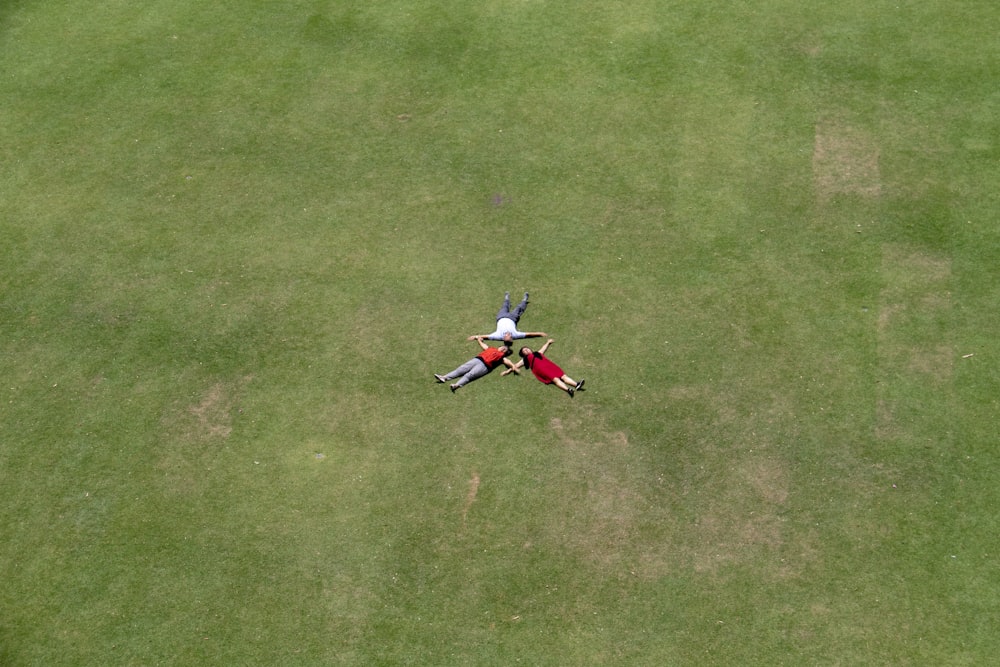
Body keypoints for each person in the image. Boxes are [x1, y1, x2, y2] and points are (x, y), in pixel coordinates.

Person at [502, 338, 585, 397]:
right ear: (523, 354)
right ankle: (568, 390)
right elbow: (515, 365)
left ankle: (576, 384)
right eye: (524, 351)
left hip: (550, 365)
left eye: (527, 349)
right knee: (555, 379)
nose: (526, 350)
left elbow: (543, 349)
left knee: (563, 376)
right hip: (542, 370)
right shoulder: (525, 359)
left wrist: (548, 342)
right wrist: (507, 371)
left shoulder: (537, 353)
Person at [435, 336, 519, 393]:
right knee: (460, 369)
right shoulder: (491, 349)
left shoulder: (502, 357)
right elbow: (484, 346)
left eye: (504, 349)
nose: (502, 348)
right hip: (477, 359)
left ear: (505, 351)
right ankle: (444, 377)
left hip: (485, 366)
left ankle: (456, 385)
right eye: (503, 347)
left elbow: (508, 362)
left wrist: (514, 367)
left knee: (469, 375)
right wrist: (479, 339)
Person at [467, 292, 547, 345]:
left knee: (504, 306)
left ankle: (507, 299)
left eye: (507, 338)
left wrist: (475, 337)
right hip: (512, 318)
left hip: (501, 317)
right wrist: (540, 334)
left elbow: (485, 336)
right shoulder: (516, 335)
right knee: (519, 309)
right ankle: (524, 300)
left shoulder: (498, 336)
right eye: (509, 338)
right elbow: (528, 334)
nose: (508, 336)